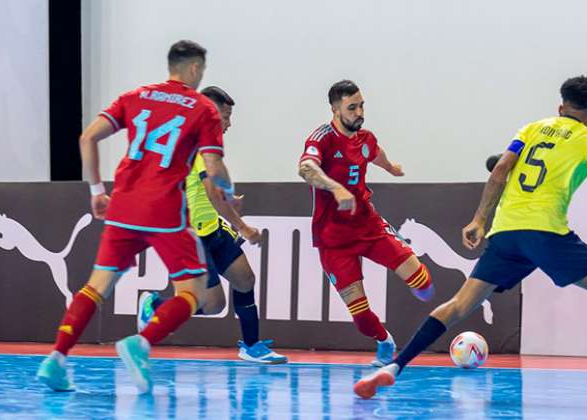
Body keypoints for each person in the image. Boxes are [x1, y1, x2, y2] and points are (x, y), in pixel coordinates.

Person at [354, 75, 587, 401]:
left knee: (461, 305)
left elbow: (501, 171)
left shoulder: (533, 129)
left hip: (506, 232)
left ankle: (394, 366)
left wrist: (479, 219)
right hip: (546, 231)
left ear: (560, 107)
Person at [37, 40, 235, 394]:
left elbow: (87, 138)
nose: (200, 75)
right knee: (195, 291)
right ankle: (141, 343)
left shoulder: (135, 96)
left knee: (97, 285)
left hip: (123, 204)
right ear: (192, 70)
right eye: (201, 70)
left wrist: (97, 192)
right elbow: (214, 166)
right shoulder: (203, 108)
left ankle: (56, 358)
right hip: (163, 209)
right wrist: (229, 192)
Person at [137, 86, 287, 364]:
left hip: (210, 228)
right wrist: (242, 226)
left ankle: (251, 346)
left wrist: (229, 197)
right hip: (191, 236)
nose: (229, 124)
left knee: (245, 279)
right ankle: (156, 306)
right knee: (214, 303)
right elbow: (210, 192)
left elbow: (214, 187)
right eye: (225, 117)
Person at [297, 80, 435, 367]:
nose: (360, 112)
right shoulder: (322, 138)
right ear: (335, 109)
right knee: (361, 316)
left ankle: (428, 304)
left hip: (367, 225)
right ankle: (385, 341)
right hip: (332, 239)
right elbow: (306, 168)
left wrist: (391, 167)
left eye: (361, 105)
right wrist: (334, 188)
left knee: (423, 282)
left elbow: (375, 153)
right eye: (352, 107)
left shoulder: (365, 138)